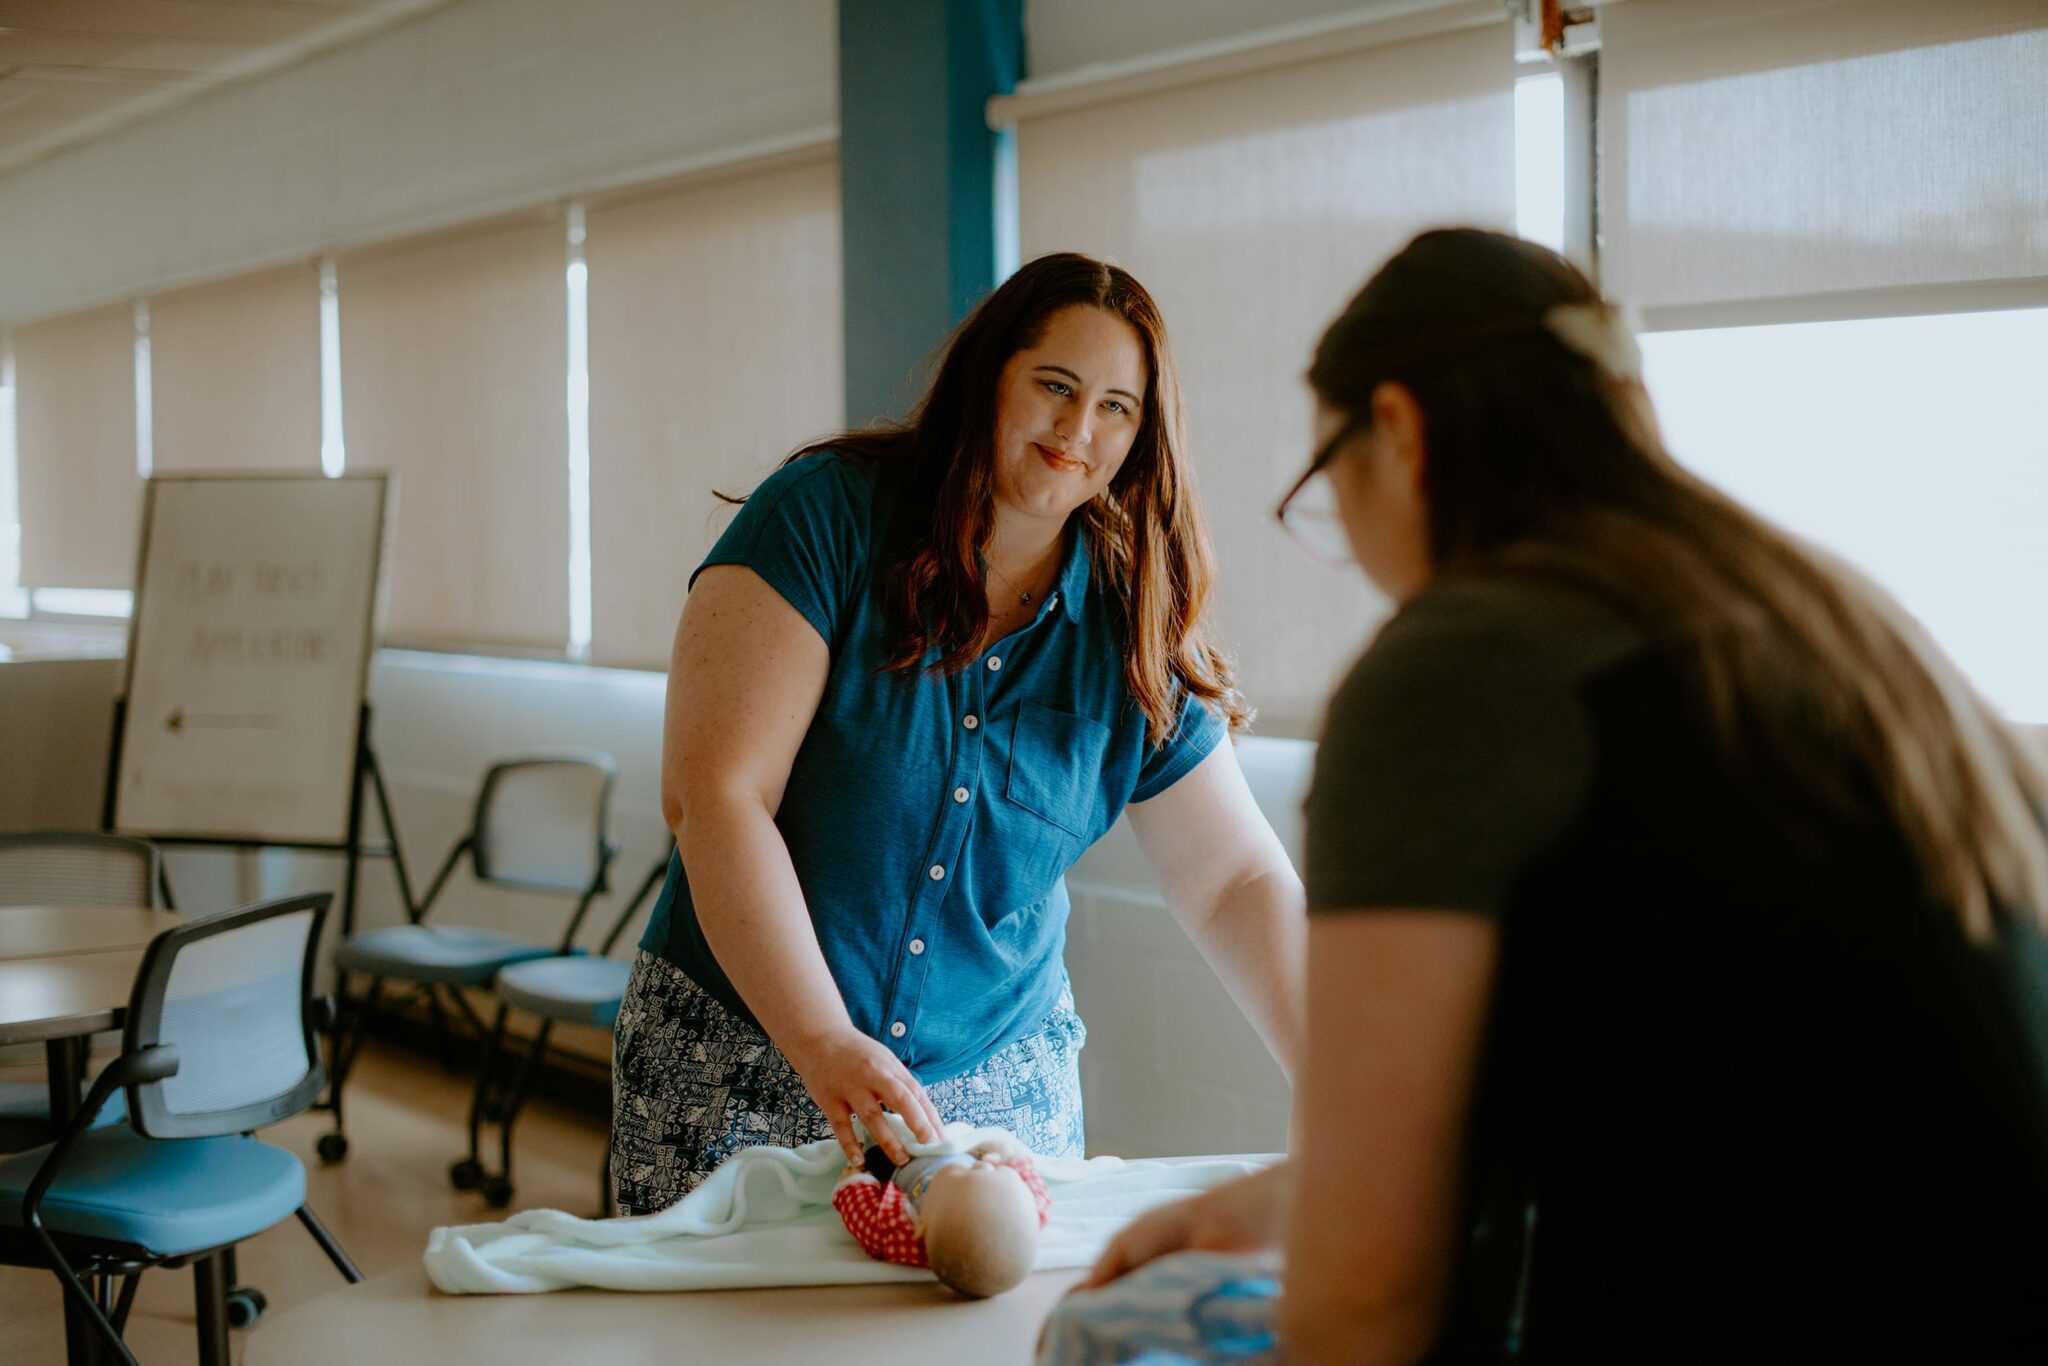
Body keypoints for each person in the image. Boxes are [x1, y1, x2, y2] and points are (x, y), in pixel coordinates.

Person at [1076, 228, 2048, 1362]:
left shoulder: (1460, 663)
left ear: (1396, 431)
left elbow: (1365, 1305)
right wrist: (1296, 1196)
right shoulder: (1826, 626)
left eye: (1327, 487)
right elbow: (1724, 1079)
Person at [610, 252, 1306, 1216]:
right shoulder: (824, 517)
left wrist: (1340, 1083)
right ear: (990, 380)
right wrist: (822, 1042)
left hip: (992, 1097)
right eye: (1055, 387)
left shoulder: (1130, 616)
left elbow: (1233, 879)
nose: (1078, 430)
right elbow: (716, 796)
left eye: (1117, 407)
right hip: (743, 1051)